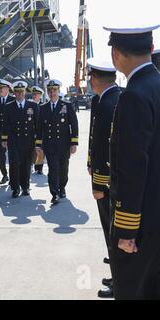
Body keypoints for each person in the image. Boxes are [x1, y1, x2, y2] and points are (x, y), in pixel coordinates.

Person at [105, 24, 160, 300]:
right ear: (151, 49)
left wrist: (126, 230)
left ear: (115, 55)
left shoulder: (133, 96)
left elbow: (132, 168)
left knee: (135, 289)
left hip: (143, 223)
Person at [86, 58, 121, 299]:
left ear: (96, 79)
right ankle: (117, 275)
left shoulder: (108, 103)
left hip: (108, 181)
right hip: (115, 178)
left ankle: (119, 282)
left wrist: (98, 182)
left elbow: (103, 145)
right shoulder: (110, 98)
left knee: (113, 230)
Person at [35, 79, 78, 205]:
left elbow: (74, 124)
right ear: (47, 93)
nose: (52, 93)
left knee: (64, 169)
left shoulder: (67, 105)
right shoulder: (43, 108)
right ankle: (54, 193)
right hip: (50, 145)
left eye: (54, 90)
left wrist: (74, 143)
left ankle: (62, 187)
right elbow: (39, 128)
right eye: (50, 91)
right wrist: (38, 145)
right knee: (53, 169)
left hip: (64, 145)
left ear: (58, 91)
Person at [2, 81, 38, 198]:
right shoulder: (8, 107)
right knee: (14, 164)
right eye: (17, 92)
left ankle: (25, 187)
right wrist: (4, 139)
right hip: (14, 140)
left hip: (28, 140)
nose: (19, 94)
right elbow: (5, 124)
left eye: (21, 91)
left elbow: (37, 124)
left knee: (26, 165)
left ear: (25, 92)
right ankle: (15, 188)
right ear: (14, 93)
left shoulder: (32, 106)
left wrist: (38, 141)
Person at [0, 79, 14, 185]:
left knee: (13, 154)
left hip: (11, 132)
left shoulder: (13, 100)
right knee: (0, 154)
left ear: (7, 89)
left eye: (2, 88)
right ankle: (4, 175)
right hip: (0, 131)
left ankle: (13, 175)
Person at [30, 86, 45, 175]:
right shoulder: (28, 105)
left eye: (36, 94)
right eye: (33, 94)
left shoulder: (43, 106)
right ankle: (31, 164)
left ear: (40, 95)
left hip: (40, 131)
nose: (34, 96)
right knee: (31, 148)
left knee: (40, 149)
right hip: (30, 131)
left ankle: (39, 168)